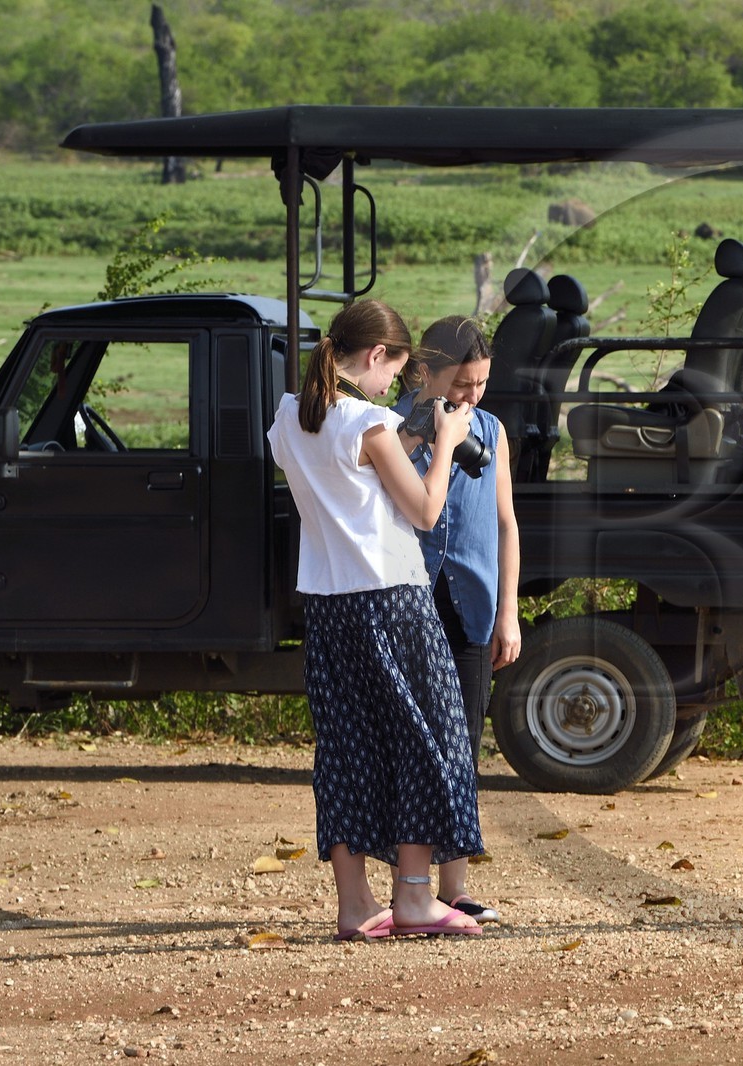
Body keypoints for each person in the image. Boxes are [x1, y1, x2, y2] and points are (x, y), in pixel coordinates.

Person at [266, 299, 484, 940]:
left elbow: (348, 474)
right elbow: (424, 511)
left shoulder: (289, 418)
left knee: (347, 748)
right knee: (428, 737)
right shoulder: (369, 422)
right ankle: (414, 898)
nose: (393, 385)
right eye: (393, 370)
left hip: (328, 603)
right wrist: (444, 444)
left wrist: (406, 437)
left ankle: (355, 905)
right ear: (376, 355)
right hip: (392, 599)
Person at [392, 316, 522, 924]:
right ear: (425, 372)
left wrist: (508, 613)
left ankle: (455, 885)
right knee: (408, 739)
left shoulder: (491, 431)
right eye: (463, 383)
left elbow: (506, 524)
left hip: (472, 603)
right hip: (406, 600)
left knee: (462, 741)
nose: (473, 395)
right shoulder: (388, 426)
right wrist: (424, 432)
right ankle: (408, 885)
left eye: (482, 383)